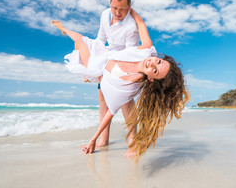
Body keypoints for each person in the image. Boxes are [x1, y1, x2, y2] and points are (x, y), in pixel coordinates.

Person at [52, 9, 190, 160]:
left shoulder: (127, 86)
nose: (151, 63)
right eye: (158, 61)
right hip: (104, 55)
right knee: (81, 39)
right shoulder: (147, 52)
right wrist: (127, 8)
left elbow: (110, 112)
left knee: (81, 43)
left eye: (155, 71)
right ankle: (64, 29)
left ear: (151, 78)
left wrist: (92, 140)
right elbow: (141, 23)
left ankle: (87, 75)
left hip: (96, 68)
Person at [95, 0, 139, 148]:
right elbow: (100, 40)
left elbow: (130, 54)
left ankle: (133, 137)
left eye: (122, 9)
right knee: (102, 97)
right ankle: (104, 139)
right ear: (110, 3)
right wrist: (98, 68)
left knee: (126, 100)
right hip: (108, 59)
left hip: (125, 61)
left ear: (129, 6)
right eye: (115, 8)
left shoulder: (131, 27)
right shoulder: (105, 14)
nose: (118, 12)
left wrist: (116, 71)